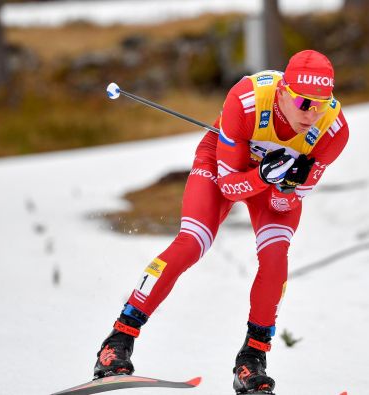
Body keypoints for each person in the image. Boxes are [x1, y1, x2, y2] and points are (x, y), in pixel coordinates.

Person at [93, 49, 349, 394]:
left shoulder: (333, 130)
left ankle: (252, 361)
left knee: (275, 259)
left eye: (321, 103)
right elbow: (230, 188)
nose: (312, 114)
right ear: (284, 92)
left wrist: (286, 184)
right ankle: (118, 341)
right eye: (304, 103)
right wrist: (262, 174)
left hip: (269, 180)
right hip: (224, 163)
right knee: (191, 243)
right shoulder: (245, 100)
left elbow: (281, 203)